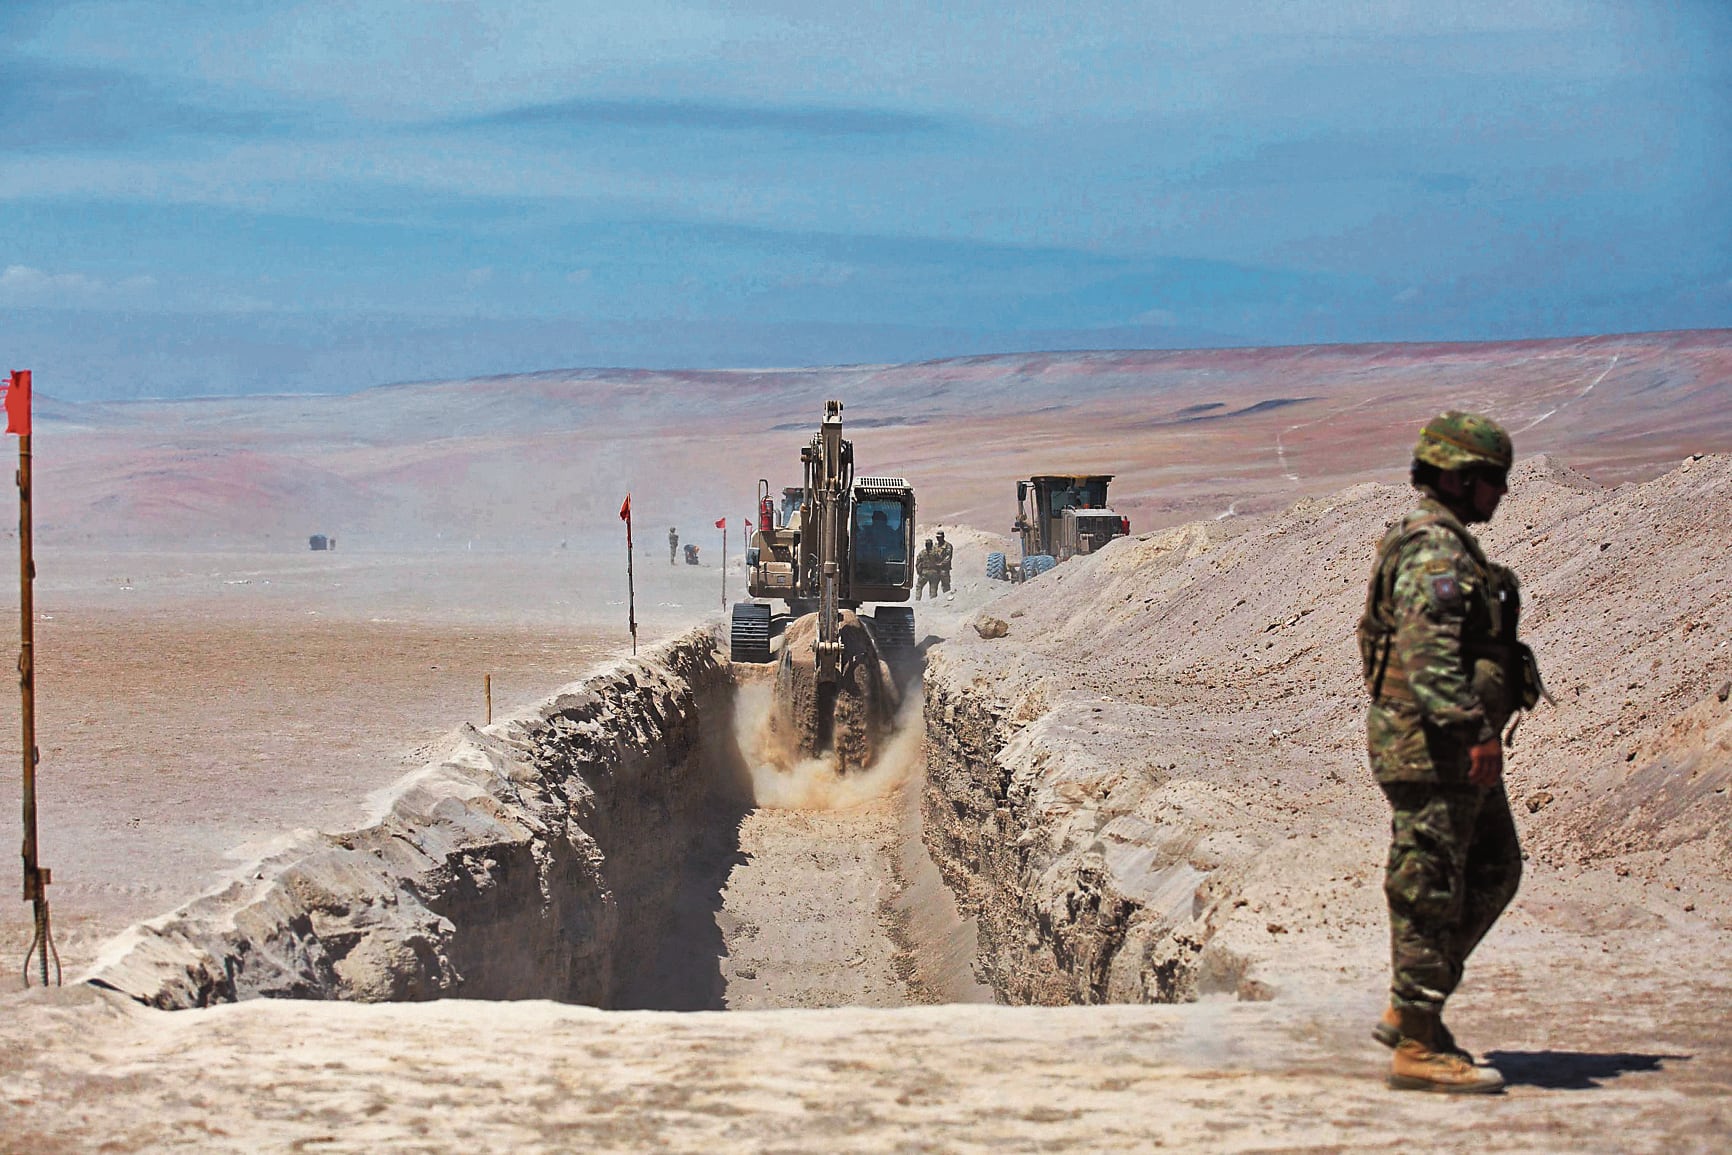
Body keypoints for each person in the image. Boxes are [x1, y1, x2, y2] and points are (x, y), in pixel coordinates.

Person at [1357, 410, 1543, 1094]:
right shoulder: (1435, 551)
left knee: (1494, 867)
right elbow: (1428, 652)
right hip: (1432, 748)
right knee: (1428, 885)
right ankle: (1415, 1041)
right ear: (1461, 480)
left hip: (1447, 747)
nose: (1500, 494)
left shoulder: (1450, 546)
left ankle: (1415, 1006)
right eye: (1492, 480)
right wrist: (1474, 730)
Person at [934, 529, 954, 597]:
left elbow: (948, 557)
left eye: (939, 537)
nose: (938, 539)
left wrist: (941, 564)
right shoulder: (935, 546)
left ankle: (946, 600)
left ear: (943, 537)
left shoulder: (948, 546)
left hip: (944, 569)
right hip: (936, 570)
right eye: (937, 537)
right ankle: (933, 601)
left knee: (945, 586)